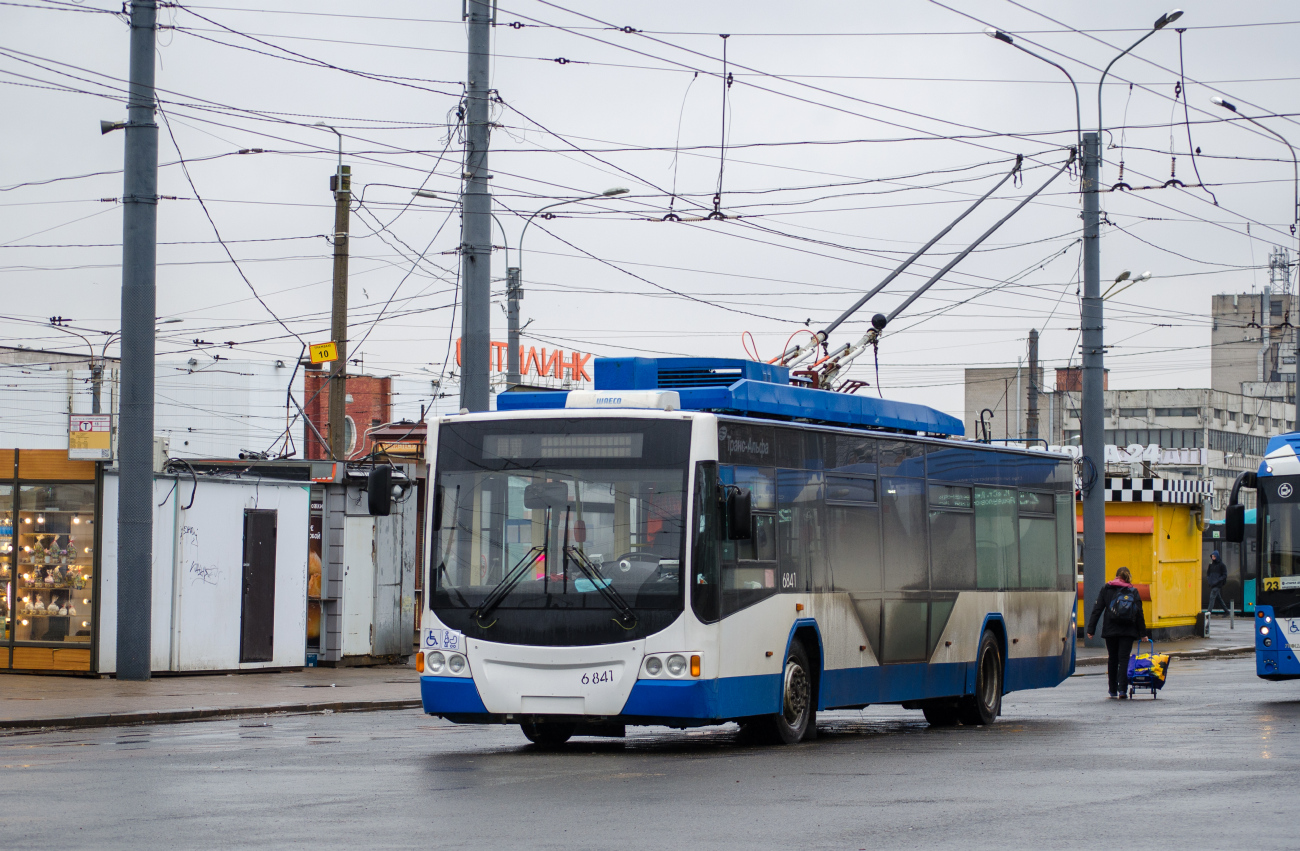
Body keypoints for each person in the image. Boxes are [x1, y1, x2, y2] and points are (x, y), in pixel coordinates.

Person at [1087, 566, 1149, 699]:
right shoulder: (1132, 591)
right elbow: (1139, 613)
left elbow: (1097, 609)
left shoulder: (1106, 589)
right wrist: (1143, 633)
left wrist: (1091, 630)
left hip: (1110, 631)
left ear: (1116, 576)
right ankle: (1122, 690)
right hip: (1128, 631)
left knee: (1113, 659)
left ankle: (1112, 690)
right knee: (1124, 659)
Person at [1206, 550, 1229, 614]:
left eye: (1214, 556)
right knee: (1218, 598)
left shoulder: (1222, 565)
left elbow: (1225, 575)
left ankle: (1208, 612)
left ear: (1217, 557)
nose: (1213, 558)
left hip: (1218, 584)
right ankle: (1227, 611)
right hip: (1212, 584)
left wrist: (1218, 580)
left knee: (1212, 597)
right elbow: (1208, 573)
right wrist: (1209, 579)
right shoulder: (1211, 565)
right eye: (1212, 556)